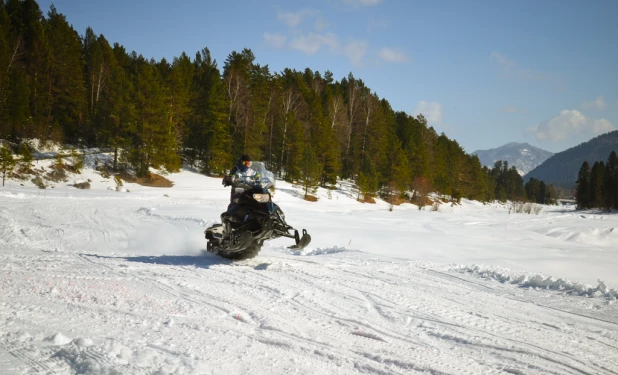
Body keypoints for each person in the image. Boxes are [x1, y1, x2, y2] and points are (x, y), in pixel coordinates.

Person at [221, 154, 255, 223]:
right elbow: (230, 175)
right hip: (238, 190)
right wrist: (228, 179)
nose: (247, 165)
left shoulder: (252, 171)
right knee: (236, 203)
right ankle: (228, 219)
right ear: (241, 162)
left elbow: (259, 177)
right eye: (245, 163)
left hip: (249, 190)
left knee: (256, 203)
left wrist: (264, 181)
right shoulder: (236, 169)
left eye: (249, 164)